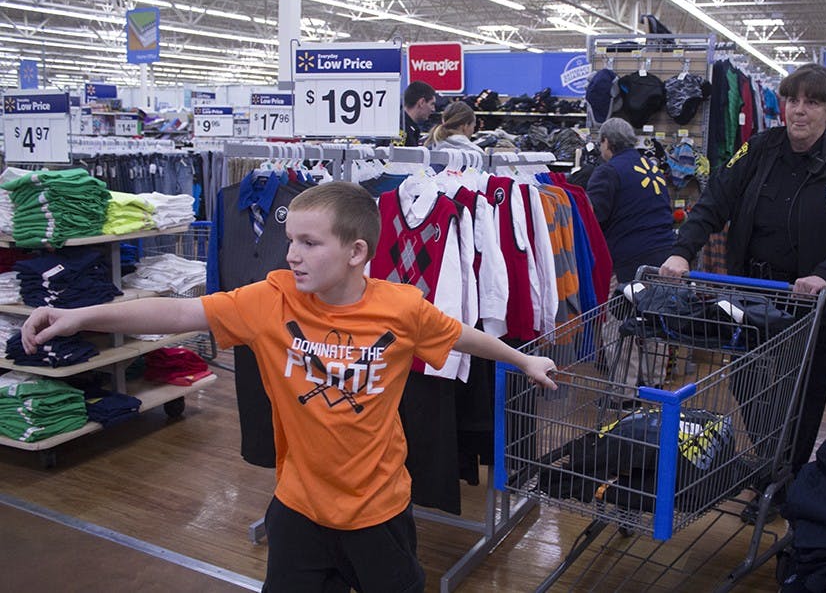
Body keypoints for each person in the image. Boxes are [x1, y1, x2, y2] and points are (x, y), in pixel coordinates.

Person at [19, 181, 558, 592]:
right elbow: (182, 310)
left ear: (357, 252)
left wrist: (522, 359)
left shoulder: (400, 308)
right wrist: (80, 315)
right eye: (289, 240)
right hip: (298, 506)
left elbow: (460, 335)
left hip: (380, 511)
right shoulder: (270, 299)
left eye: (309, 242)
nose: (292, 254)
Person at [658, 63, 826, 476]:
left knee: (805, 390)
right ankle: (770, 453)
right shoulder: (760, 148)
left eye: (811, 103)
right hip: (754, 293)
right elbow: (715, 201)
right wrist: (682, 251)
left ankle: (789, 473)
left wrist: (825, 276)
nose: (798, 110)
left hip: (815, 303)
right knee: (747, 379)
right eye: (792, 100)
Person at [587, 117, 676, 285]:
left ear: (606, 141)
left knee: (623, 310)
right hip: (666, 254)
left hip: (631, 261)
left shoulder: (608, 172)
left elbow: (593, 218)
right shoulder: (651, 166)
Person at [402, 80, 436, 147]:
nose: (433, 109)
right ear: (422, 102)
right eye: (432, 104)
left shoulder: (409, 128)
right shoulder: (401, 129)